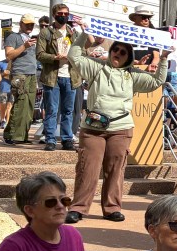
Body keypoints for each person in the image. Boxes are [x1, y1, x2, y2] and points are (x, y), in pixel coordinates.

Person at [64, 36, 167, 224]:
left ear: (128, 56)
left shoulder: (132, 74)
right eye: (115, 50)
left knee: (115, 170)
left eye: (122, 52)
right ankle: (78, 208)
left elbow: (156, 82)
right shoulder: (97, 67)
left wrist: (164, 58)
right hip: (93, 128)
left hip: (121, 128)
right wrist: (82, 34)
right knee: (87, 168)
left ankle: (112, 208)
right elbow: (74, 57)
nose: (117, 54)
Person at [36, 3, 80, 152]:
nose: (64, 16)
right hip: (52, 77)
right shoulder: (46, 33)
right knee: (52, 110)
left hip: (70, 77)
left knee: (68, 110)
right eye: (60, 13)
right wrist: (55, 57)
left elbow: (83, 50)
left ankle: (67, 138)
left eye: (66, 13)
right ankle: (50, 139)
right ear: (54, 15)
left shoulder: (73, 33)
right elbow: (39, 54)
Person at [2, 13, 38, 145]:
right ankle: (10, 134)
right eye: (27, 24)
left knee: (28, 107)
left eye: (32, 24)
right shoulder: (13, 37)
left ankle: (22, 135)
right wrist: (24, 46)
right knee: (20, 103)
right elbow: (9, 55)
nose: (29, 26)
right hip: (20, 74)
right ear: (21, 24)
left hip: (31, 75)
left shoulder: (30, 38)